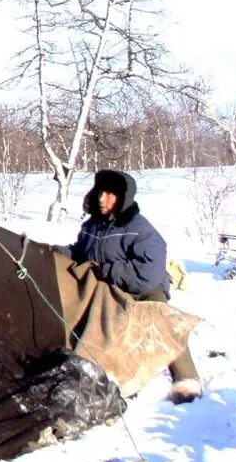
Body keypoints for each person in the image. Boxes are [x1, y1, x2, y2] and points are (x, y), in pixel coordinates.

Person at [72, 168, 202, 403]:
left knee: (162, 319)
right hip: (110, 286)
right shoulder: (92, 227)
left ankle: (186, 380)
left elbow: (148, 273)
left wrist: (108, 270)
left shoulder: (139, 228)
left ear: (122, 198)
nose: (102, 199)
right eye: (100, 192)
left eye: (110, 194)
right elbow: (78, 253)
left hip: (144, 288)